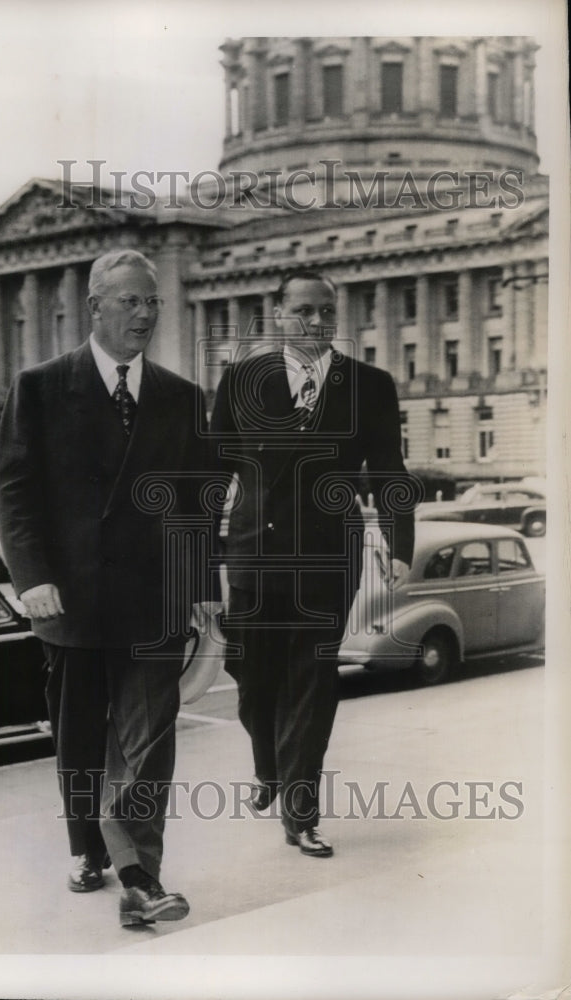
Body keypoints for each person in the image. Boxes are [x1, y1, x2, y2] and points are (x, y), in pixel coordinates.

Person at [0, 249, 219, 927]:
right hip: (71, 599)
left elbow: (196, 502)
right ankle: (85, 847)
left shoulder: (181, 396)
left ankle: (139, 877)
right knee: (81, 736)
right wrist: (32, 578)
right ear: (94, 307)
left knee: (148, 743)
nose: (144, 314)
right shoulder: (40, 386)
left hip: (153, 601)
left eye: (152, 301)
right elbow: (14, 491)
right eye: (130, 301)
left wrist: (202, 585)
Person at [209, 267, 416, 857]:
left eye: (327, 311)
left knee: (312, 680)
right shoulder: (242, 379)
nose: (318, 321)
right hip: (253, 551)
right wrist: (198, 554)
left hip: (327, 554)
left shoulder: (369, 384)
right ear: (279, 315)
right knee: (249, 673)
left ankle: (300, 810)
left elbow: (388, 471)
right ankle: (270, 763)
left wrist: (398, 542)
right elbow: (213, 470)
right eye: (304, 310)